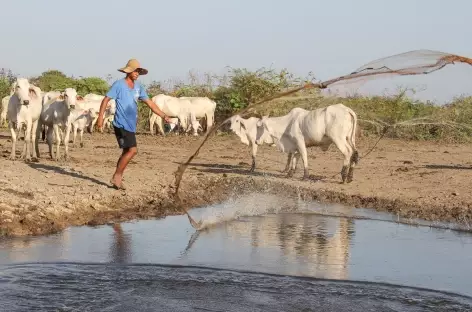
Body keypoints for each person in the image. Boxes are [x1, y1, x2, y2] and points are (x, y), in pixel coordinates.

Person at [97, 59, 171, 190]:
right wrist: (100, 118)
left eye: (138, 71)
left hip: (131, 124)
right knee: (133, 150)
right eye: (134, 71)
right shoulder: (119, 85)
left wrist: (164, 115)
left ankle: (117, 178)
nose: (136, 73)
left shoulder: (138, 87)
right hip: (121, 123)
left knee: (127, 151)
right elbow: (106, 99)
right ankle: (117, 176)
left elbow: (150, 103)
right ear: (128, 71)